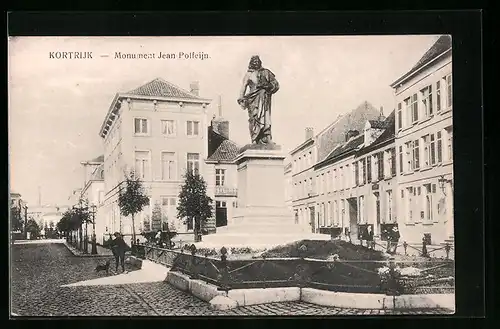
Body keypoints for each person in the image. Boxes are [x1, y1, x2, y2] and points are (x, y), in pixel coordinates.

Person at [238, 55, 280, 145]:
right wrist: (241, 98)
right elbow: (243, 86)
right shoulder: (248, 74)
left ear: (260, 62)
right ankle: (254, 138)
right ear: (251, 63)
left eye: (257, 61)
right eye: (254, 62)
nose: (256, 63)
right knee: (254, 118)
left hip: (264, 98)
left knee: (266, 118)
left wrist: (268, 86)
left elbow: (275, 84)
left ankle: (267, 137)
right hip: (253, 99)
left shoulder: (266, 72)